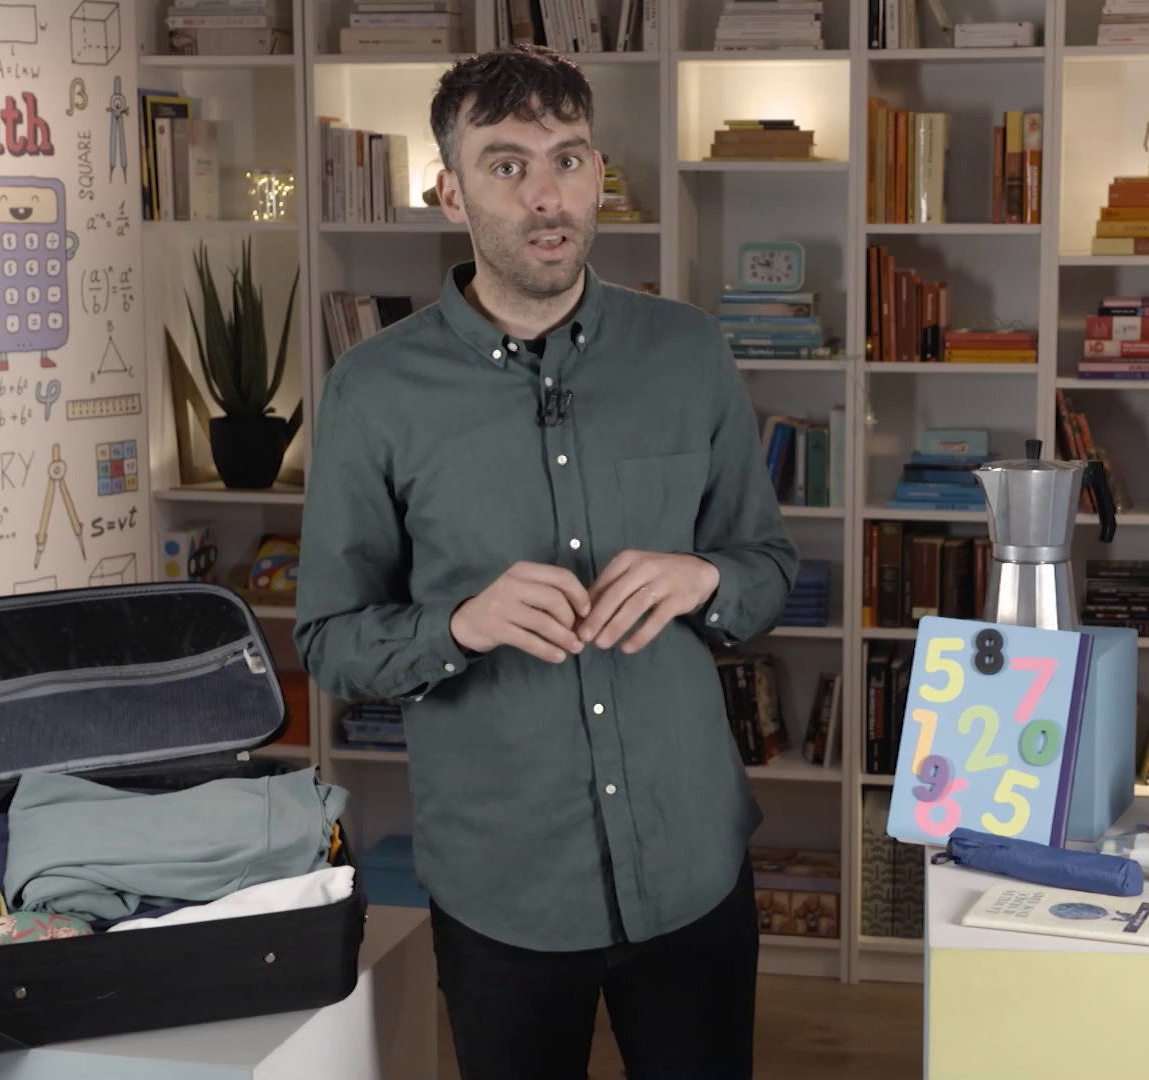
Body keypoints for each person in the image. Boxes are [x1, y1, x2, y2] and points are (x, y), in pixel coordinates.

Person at [293, 44, 799, 1080]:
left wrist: (706, 579)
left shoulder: (689, 351)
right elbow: (330, 641)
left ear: (598, 172)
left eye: (568, 159)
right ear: (451, 192)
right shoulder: (372, 390)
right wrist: (457, 626)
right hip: (503, 882)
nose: (546, 195)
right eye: (507, 165)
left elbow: (767, 565)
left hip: (692, 860)